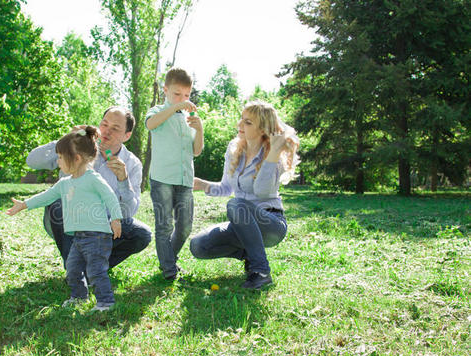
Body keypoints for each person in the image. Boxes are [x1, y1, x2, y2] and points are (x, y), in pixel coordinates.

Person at [7, 126, 122, 311]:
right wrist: (24, 204)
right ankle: (79, 297)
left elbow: (110, 198)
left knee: (96, 271)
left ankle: (105, 302)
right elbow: (46, 196)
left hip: (97, 236)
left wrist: (116, 219)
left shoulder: (94, 179)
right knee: (73, 269)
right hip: (78, 237)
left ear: (76, 159)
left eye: (60, 157)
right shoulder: (65, 183)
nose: (58, 162)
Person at [189, 101, 300, 289]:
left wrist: (273, 151)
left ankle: (261, 271)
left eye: (248, 123)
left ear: (263, 128)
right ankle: (251, 254)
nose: (240, 125)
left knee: (236, 205)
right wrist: (200, 184)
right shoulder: (234, 148)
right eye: (242, 119)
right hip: (241, 222)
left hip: (271, 223)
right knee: (199, 245)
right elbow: (226, 188)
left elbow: (262, 191)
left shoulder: (273, 153)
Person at [25, 107, 151, 271]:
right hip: (68, 220)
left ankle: (91, 268)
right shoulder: (79, 147)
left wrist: (123, 181)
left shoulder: (132, 164)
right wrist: (66, 140)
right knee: (58, 202)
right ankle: (76, 270)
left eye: (115, 128)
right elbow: (32, 160)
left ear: (126, 136)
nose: (106, 132)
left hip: (103, 226)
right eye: (104, 125)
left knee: (142, 234)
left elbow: (128, 213)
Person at [145, 67, 204, 280]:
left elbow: (196, 150)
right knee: (164, 226)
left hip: (185, 179)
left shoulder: (189, 119)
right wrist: (176, 106)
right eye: (177, 94)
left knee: (186, 226)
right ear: (166, 90)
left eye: (186, 95)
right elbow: (151, 124)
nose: (183, 99)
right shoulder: (158, 111)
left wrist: (200, 129)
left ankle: (167, 259)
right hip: (162, 179)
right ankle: (169, 270)